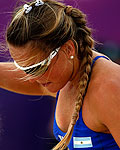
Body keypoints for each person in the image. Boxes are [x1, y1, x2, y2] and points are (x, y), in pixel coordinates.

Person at [0, 0, 120, 149]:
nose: (31, 78)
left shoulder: (109, 89)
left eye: (37, 67)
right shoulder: (65, 75)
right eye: (25, 69)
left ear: (68, 49)